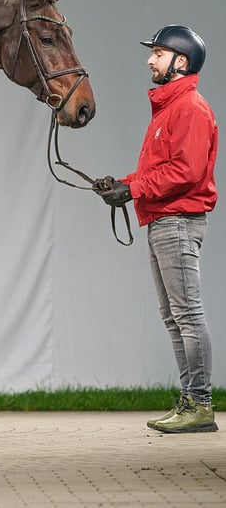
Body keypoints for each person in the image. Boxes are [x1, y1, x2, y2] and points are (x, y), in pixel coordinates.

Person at [95, 25, 218, 433]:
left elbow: (186, 171)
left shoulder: (191, 109)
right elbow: (159, 170)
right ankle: (190, 401)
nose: (151, 59)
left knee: (187, 314)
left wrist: (134, 189)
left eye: (160, 54)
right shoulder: (170, 110)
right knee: (173, 316)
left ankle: (200, 405)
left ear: (181, 62)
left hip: (177, 221)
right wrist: (124, 185)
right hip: (164, 220)